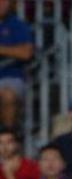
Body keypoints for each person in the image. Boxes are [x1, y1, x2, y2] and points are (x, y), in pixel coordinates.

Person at [0, 0, 33, 130]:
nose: (1, 4)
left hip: (10, 77)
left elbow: (26, 53)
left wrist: (1, 49)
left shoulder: (17, 25)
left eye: (4, 1)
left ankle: (8, 136)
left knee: (7, 96)